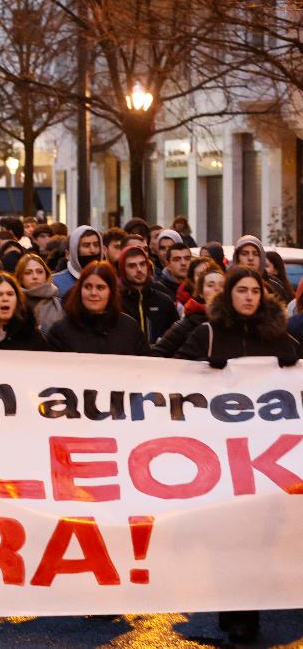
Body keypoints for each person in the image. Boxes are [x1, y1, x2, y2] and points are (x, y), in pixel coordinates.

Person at [175, 266, 299, 645]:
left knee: (254, 538)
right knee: (224, 539)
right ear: (229, 294)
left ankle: (247, 617)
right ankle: (232, 609)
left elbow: (294, 380)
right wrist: (202, 373)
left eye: (255, 291)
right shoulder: (207, 334)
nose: (248, 297)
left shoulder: (279, 338)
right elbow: (168, 372)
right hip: (217, 456)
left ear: (264, 297)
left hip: (262, 459)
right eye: (241, 290)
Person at [46, 261, 149, 355]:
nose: (93, 293)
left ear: (111, 292)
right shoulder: (60, 332)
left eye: (100, 287)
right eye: (88, 287)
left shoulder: (130, 329)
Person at [155, 266, 223, 358]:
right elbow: (158, 353)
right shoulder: (188, 323)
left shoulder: (235, 321)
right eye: (210, 285)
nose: (217, 289)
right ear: (201, 293)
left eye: (222, 285)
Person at [119, 245, 179, 343]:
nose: (139, 269)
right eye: (132, 266)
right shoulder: (116, 302)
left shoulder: (164, 301)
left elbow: (177, 339)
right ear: (123, 270)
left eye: (142, 264)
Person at [14, 253, 64, 332]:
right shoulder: (13, 303)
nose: (35, 276)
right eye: (28, 272)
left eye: (40, 272)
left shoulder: (61, 305)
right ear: (20, 277)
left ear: (46, 275)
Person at [53, 225, 102, 297]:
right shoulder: (56, 283)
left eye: (96, 245)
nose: (93, 250)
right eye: (86, 245)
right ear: (73, 251)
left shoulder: (108, 279)